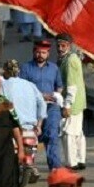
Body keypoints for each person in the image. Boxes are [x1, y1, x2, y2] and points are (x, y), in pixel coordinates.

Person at [19, 40, 64, 171]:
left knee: (52, 135)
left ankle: (55, 167)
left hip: (51, 107)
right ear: (33, 52)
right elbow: (22, 89)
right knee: (31, 135)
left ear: (48, 53)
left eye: (43, 52)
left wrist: (55, 95)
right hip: (32, 107)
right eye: (38, 52)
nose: (40, 55)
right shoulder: (26, 68)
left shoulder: (54, 68)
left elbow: (59, 86)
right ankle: (29, 166)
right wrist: (40, 96)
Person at [56, 34, 87, 171]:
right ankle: (80, 160)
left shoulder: (70, 60)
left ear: (69, 46)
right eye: (58, 46)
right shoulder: (68, 58)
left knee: (68, 133)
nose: (60, 48)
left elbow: (72, 85)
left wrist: (67, 105)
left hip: (73, 103)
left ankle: (72, 162)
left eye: (63, 46)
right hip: (78, 102)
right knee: (77, 132)